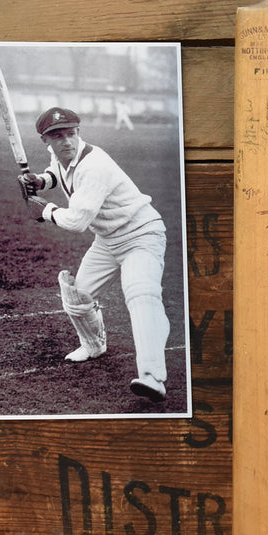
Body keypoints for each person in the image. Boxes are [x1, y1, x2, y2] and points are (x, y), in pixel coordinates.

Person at [21, 106, 170, 403]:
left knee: (141, 295)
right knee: (78, 297)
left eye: (71, 134)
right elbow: (57, 172)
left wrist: (45, 211)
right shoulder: (60, 154)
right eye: (57, 136)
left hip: (141, 234)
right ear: (46, 140)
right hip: (108, 240)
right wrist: (41, 181)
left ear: (78, 133)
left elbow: (77, 222)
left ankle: (153, 377)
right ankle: (93, 345)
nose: (66, 141)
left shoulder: (95, 165)